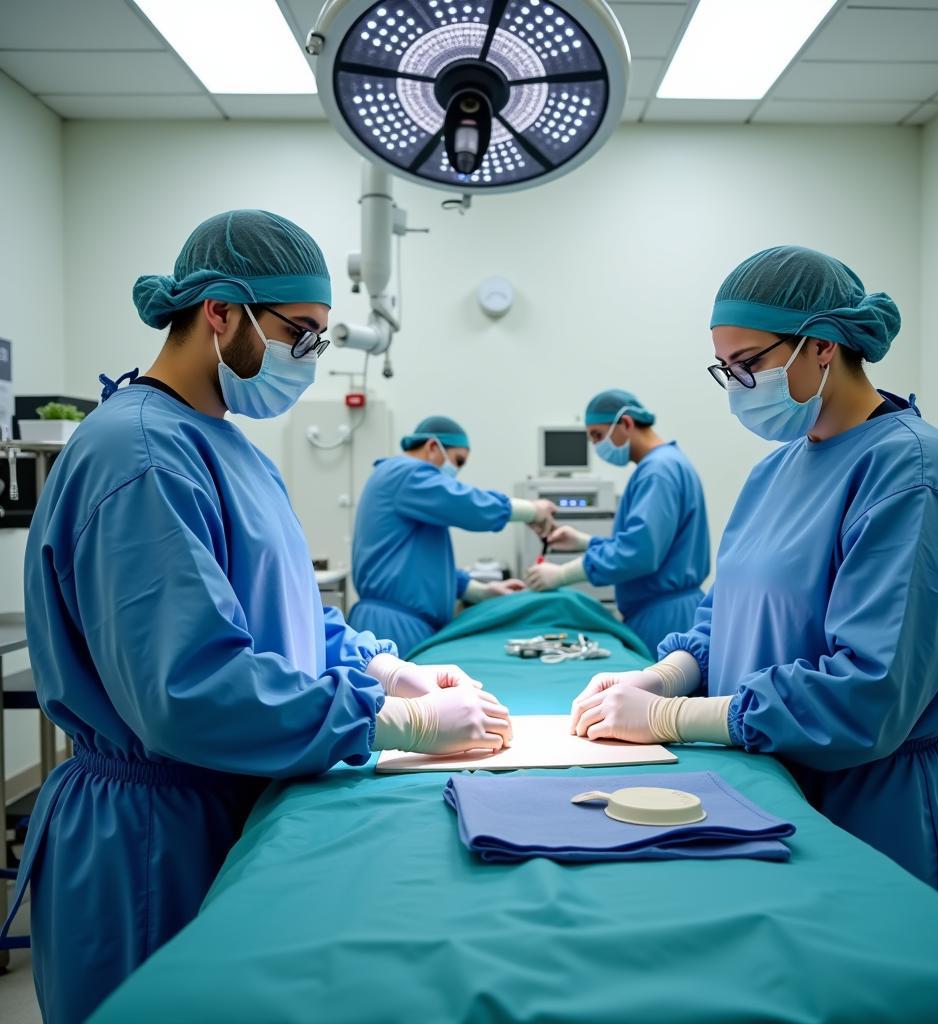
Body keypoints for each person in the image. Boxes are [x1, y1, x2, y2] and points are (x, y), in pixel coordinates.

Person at [1, 210, 510, 1024]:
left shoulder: (227, 445)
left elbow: (291, 615)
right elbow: (191, 688)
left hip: (234, 793)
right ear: (220, 312)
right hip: (154, 836)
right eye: (300, 335)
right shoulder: (137, 455)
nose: (309, 358)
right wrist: (392, 722)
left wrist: (382, 668)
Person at [569, 245, 938, 911]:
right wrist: (663, 676)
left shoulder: (911, 472)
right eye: (726, 369)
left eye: (750, 364)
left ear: (822, 346)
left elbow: (869, 691)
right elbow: (726, 617)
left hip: (868, 808)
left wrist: (672, 717)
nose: (740, 385)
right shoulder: (775, 469)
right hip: (760, 782)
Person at [348, 416, 555, 655]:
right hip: (392, 627)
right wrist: (532, 510)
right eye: (457, 461)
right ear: (433, 447)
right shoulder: (404, 474)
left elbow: (424, 566)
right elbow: (467, 504)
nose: (455, 471)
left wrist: (483, 591)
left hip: (402, 621)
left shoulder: (401, 485)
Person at [525, 389, 710, 657]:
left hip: (664, 617)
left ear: (626, 423)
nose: (597, 446)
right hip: (667, 608)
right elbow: (651, 542)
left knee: (661, 697)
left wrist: (562, 574)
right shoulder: (669, 463)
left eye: (598, 435)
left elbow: (640, 553)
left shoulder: (657, 472)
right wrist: (585, 542)